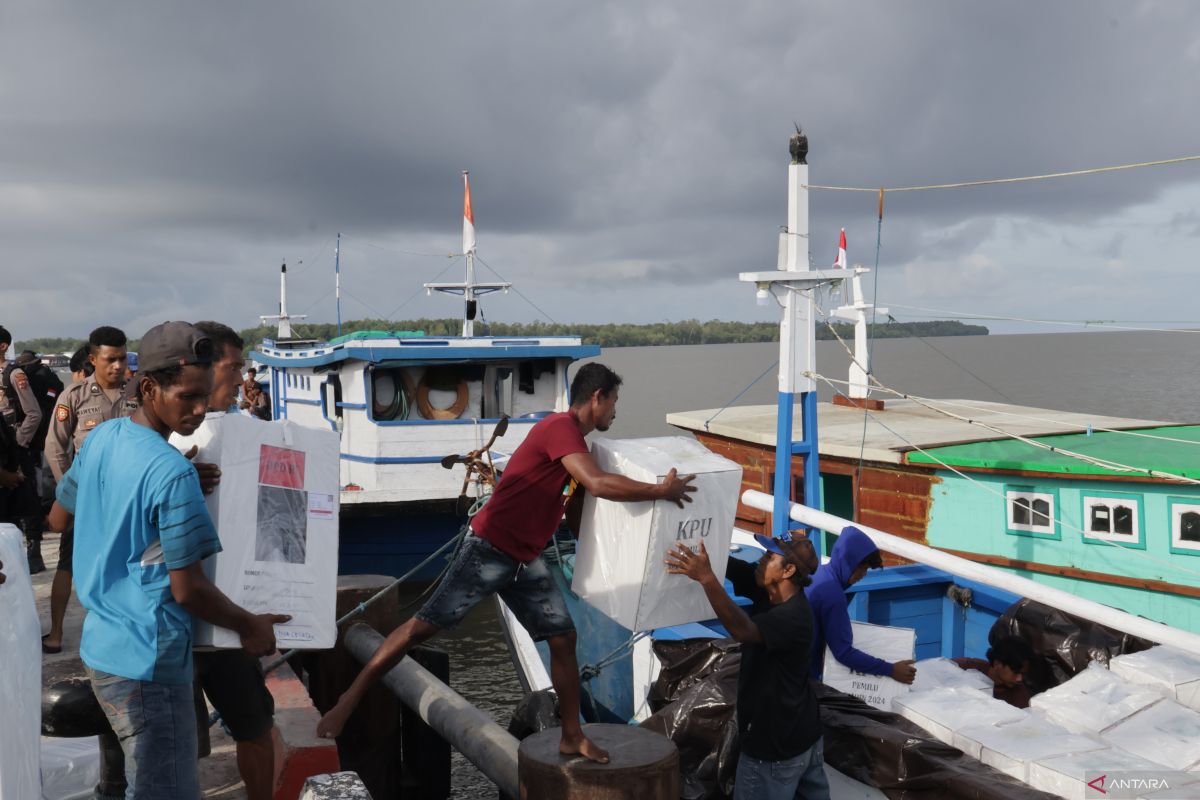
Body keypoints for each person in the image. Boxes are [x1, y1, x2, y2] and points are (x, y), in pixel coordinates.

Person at [315, 363, 697, 762]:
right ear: (597, 397)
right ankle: (347, 700)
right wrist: (660, 491)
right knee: (418, 631)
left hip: (524, 559)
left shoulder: (577, 447)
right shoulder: (559, 428)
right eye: (614, 401)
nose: (615, 411)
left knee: (564, 639)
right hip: (489, 550)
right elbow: (599, 482)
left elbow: (576, 512)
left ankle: (571, 734)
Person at [50, 321, 289, 800]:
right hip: (150, 660)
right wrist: (250, 626)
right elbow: (189, 589)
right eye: (187, 398)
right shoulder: (174, 472)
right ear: (149, 388)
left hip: (102, 648)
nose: (199, 411)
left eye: (204, 396)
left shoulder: (102, 438)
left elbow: (59, 518)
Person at [666, 534, 828, 800]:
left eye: (768, 558)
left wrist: (707, 578)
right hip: (805, 735)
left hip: (775, 749)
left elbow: (743, 629)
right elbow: (739, 570)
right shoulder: (771, 592)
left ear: (788, 571)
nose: (760, 562)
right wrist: (706, 553)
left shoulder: (792, 617)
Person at [190, 321, 280, 800]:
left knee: (255, 726)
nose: (243, 378)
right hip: (179, 615)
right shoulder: (156, 444)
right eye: (234, 367)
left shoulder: (252, 433)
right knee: (185, 743)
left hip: (234, 610)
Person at [41, 325, 138, 654]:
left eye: (122, 359)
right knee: (67, 564)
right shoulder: (75, 396)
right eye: (110, 359)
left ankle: (123, 633)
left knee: (128, 564)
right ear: (94, 359)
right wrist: (70, 491)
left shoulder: (138, 393)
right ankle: (55, 632)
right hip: (86, 498)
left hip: (128, 497)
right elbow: (55, 446)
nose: (117, 366)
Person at [805, 525, 917, 685]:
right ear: (847, 562)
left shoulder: (818, 573)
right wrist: (891, 669)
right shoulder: (833, 594)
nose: (863, 575)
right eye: (862, 567)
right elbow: (843, 652)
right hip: (802, 679)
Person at [0, 326, 46, 573]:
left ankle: (34, 552)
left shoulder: (13, 374)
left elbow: (33, 413)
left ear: (3, 346)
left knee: (25, 501)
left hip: (15, 446)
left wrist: (17, 442)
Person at [953, 636, 1035, 709]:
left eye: (1023, 673)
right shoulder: (964, 667)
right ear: (997, 664)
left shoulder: (1020, 698)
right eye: (1015, 672)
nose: (1019, 679)